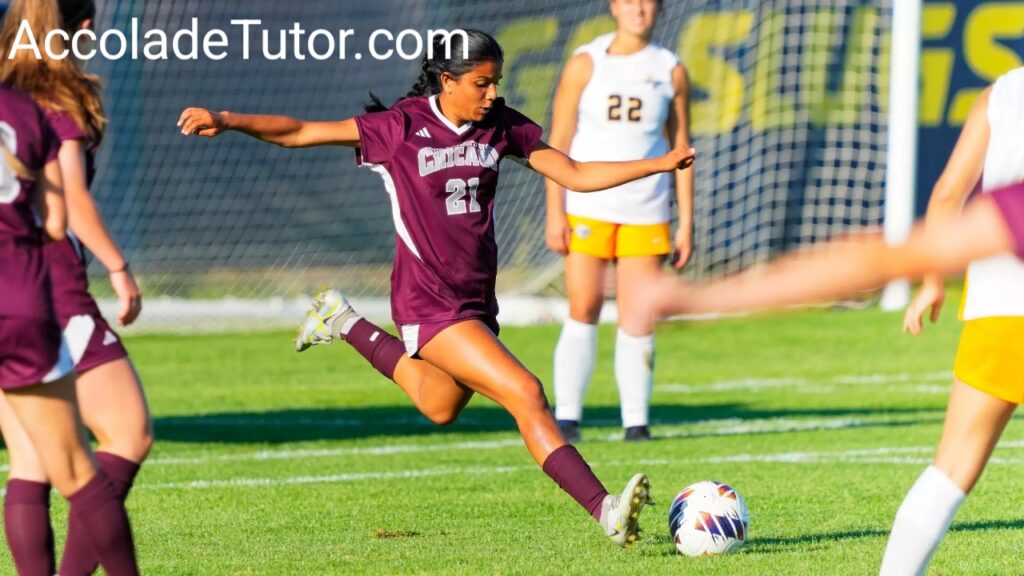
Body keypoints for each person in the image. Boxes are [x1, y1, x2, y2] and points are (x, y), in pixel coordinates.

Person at [178, 29, 695, 547]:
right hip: (428, 301)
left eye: (496, 82)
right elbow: (299, 132)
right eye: (480, 83)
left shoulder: (500, 126)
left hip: (474, 302)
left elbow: (575, 173)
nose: (492, 94)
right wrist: (227, 120)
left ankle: (341, 319)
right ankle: (604, 509)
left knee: (437, 405)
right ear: (447, 81)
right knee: (527, 392)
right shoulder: (400, 128)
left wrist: (658, 164)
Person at [644, 67, 1024, 576]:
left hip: (1001, 306)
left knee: (950, 470)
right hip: (1002, 301)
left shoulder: (1003, 93)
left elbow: (921, 221)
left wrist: (704, 297)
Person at [0, 1, 152, 573]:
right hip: (48, 288)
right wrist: (117, 265)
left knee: (30, 462)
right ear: (83, 27)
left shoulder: (8, 92)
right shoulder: (62, 97)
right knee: (127, 435)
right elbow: (70, 209)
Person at [545, 0, 691, 443]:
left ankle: (636, 423)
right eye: (629, 0)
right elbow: (558, 142)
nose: (638, 9)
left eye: (647, 1)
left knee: (638, 316)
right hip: (589, 207)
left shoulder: (670, 69)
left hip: (647, 209)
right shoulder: (586, 62)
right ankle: (568, 418)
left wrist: (686, 220)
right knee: (583, 306)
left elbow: (682, 146)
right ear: (613, 6)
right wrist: (555, 211)